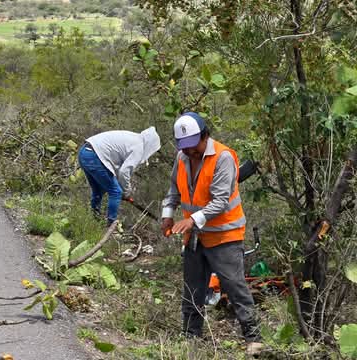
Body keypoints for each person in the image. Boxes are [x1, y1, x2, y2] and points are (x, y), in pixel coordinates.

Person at [160, 112, 263, 356]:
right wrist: (168, 214)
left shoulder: (223, 157)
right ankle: (191, 337)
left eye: (193, 146)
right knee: (193, 288)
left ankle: (254, 339)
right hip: (195, 237)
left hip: (225, 235)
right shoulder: (181, 157)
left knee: (234, 285)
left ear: (205, 136)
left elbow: (220, 201)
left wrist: (191, 220)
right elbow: (174, 190)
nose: (189, 152)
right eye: (184, 147)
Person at [78, 127, 161, 225]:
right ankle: (110, 226)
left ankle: (94, 220)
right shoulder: (139, 148)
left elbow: (117, 170)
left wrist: (122, 186)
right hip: (94, 156)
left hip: (84, 153)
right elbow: (124, 172)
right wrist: (126, 192)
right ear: (150, 145)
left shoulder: (133, 138)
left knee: (98, 190)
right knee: (116, 192)